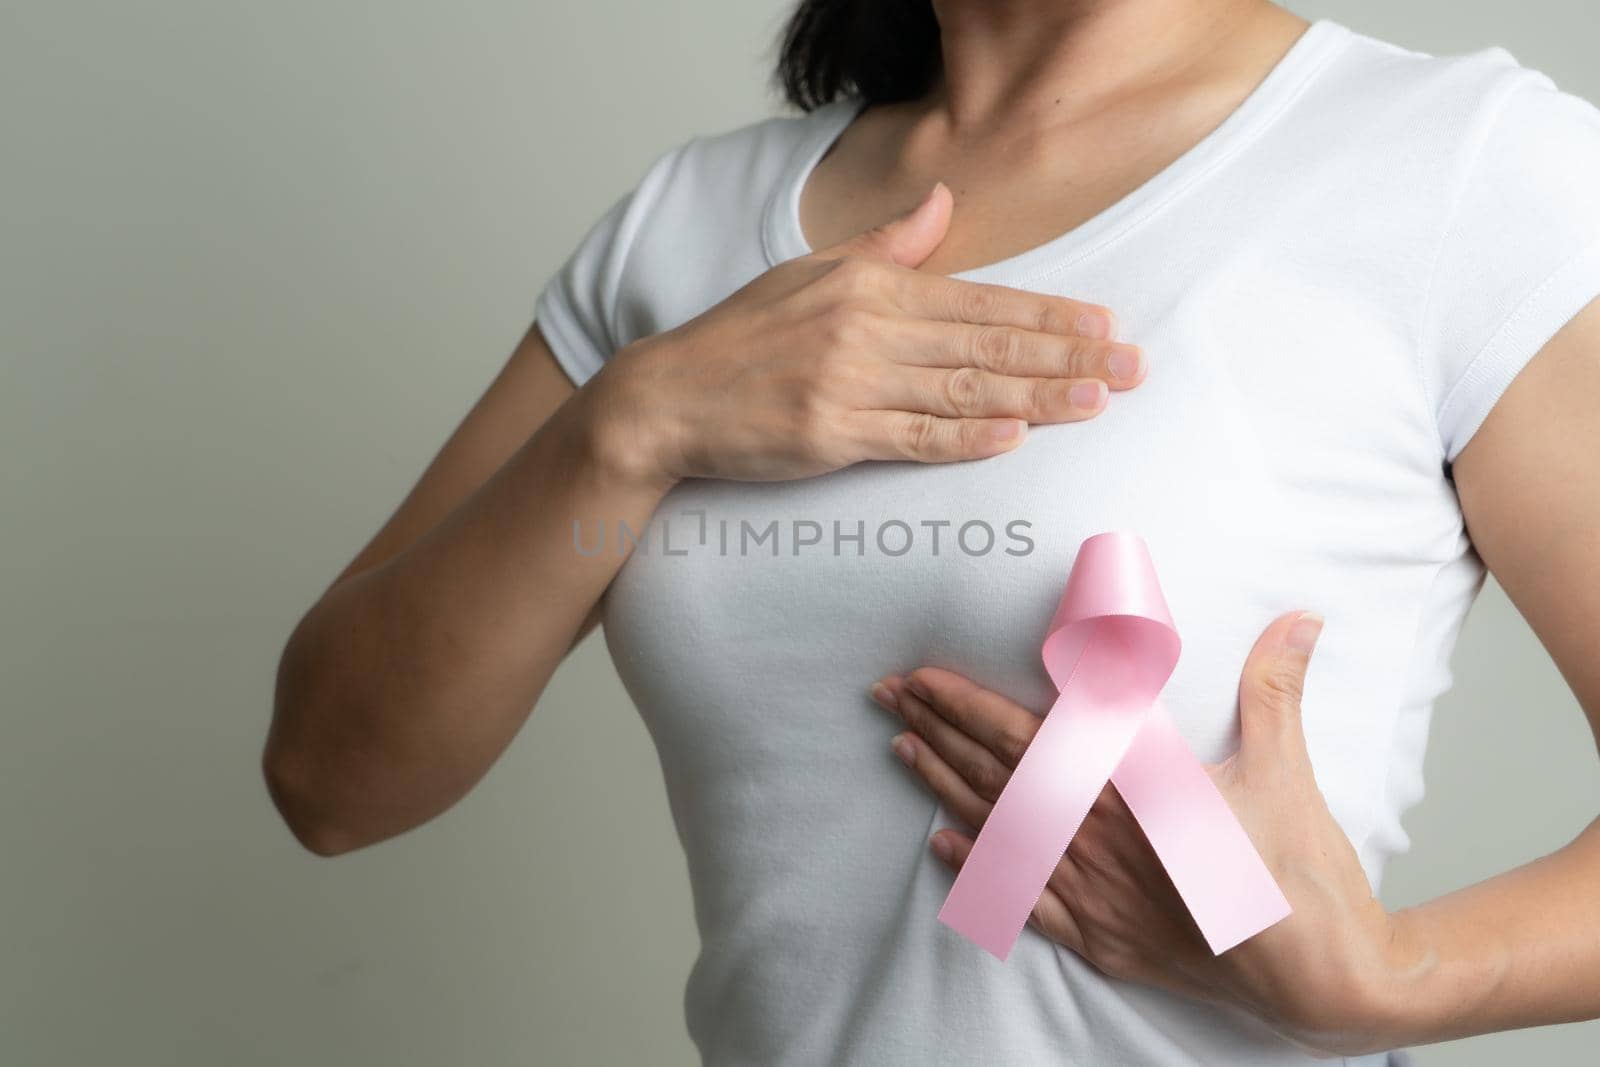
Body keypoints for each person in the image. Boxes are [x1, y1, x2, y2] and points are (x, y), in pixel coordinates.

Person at [262, 1, 1600, 1063]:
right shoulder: (689, 227)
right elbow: (330, 778)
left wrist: (1392, 984)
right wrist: (637, 422)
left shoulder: (1461, 171)